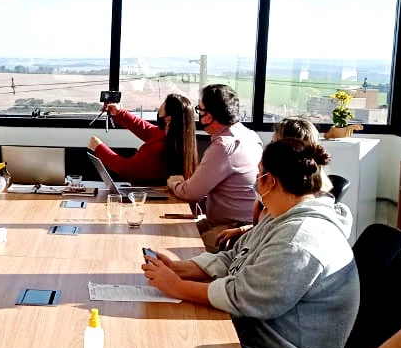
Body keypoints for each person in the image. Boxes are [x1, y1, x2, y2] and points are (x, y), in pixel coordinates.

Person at [143, 139, 359, 348]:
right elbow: (235, 256)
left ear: (270, 181)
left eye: (258, 175)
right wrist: (181, 268)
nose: (255, 183)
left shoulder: (299, 239)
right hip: (258, 342)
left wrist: (177, 287)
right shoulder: (280, 217)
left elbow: (243, 297)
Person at [166, 84, 263, 252]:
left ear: (209, 116)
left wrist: (174, 183)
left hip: (231, 229)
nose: (199, 115)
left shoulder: (224, 146)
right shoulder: (250, 135)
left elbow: (190, 193)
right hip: (238, 224)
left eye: (200, 110)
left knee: (172, 247)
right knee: (170, 231)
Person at [216, 116, 325, 249]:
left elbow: (276, 231)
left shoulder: (289, 196)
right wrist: (244, 231)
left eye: (274, 143)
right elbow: (266, 226)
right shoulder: (283, 191)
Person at [87, 93, 198, 184]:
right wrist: (120, 112)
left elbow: (126, 168)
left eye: (160, 114)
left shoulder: (159, 149)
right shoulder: (180, 139)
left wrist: (99, 148)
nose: (158, 114)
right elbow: (145, 129)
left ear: (168, 120)